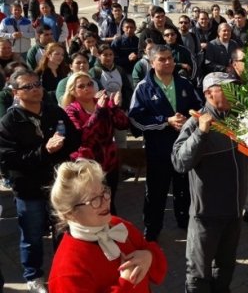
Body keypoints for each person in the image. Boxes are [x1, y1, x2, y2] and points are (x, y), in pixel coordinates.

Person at [0, 69, 80, 293]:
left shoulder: (54, 111)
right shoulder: (9, 121)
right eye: (28, 86)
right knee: (32, 235)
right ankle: (33, 275)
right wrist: (44, 151)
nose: (35, 89)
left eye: (37, 84)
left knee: (63, 231)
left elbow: (75, 138)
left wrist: (63, 145)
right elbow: (9, 159)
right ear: (16, 92)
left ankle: (62, 272)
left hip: (58, 184)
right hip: (28, 188)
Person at [172, 72, 247, 293]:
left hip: (234, 211)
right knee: (198, 274)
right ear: (208, 93)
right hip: (206, 215)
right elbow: (179, 162)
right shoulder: (196, 122)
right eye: (225, 88)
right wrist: (201, 134)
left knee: (225, 268)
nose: (233, 93)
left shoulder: (239, 117)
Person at [48, 159, 167, 291]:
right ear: (70, 213)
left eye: (103, 191)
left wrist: (149, 256)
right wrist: (125, 284)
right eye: (94, 199)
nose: (105, 200)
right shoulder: (67, 269)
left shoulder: (118, 224)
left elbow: (157, 262)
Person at [129, 45, 202, 241]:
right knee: (156, 191)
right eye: (162, 59)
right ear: (152, 63)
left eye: (170, 58)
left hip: (185, 147)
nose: (168, 62)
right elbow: (135, 119)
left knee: (184, 187)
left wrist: (188, 120)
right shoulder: (143, 88)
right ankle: (152, 229)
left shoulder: (185, 83)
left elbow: (199, 107)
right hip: (158, 149)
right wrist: (165, 121)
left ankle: (185, 221)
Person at [62, 71, 130, 213]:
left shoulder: (102, 103)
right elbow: (83, 137)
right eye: (81, 86)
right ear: (72, 91)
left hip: (109, 160)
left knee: (109, 201)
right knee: (91, 203)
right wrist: (99, 111)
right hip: (86, 164)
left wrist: (113, 107)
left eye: (90, 84)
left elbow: (123, 124)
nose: (87, 88)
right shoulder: (71, 110)